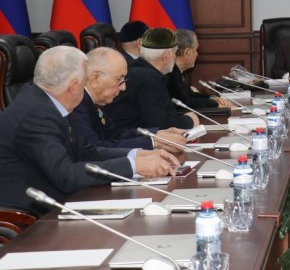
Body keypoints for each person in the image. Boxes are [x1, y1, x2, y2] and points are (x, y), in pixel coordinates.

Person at [0, 46, 179, 215]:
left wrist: (136, 155)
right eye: (85, 81)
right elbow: (66, 176)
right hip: (32, 217)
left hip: (59, 200)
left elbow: (85, 152)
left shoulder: (51, 103)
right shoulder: (37, 114)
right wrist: (133, 165)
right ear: (73, 86)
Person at [69, 47, 188, 152]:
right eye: (119, 79)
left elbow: (115, 135)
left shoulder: (91, 101)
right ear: (95, 79)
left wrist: (157, 134)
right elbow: (95, 149)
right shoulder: (76, 105)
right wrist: (152, 142)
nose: (123, 87)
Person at [105, 28, 199, 131]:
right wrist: (188, 121)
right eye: (175, 53)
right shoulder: (149, 79)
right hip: (127, 138)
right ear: (166, 56)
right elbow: (158, 124)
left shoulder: (140, 70)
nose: (175, 57)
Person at [168, 29, 235, 109]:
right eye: (196, 50)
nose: (197, 54)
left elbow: (190, 95)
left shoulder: (176, 71)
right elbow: (185, 103)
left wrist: (212, 98)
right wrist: (214, 104)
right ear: (187, 52)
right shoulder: (170, 75)